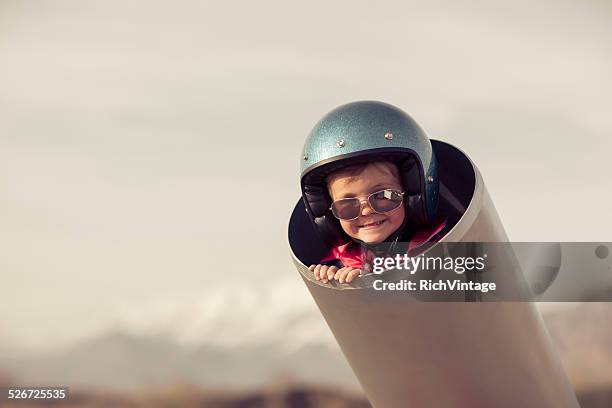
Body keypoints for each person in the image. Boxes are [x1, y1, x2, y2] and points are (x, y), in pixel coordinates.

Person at [300, 101, 447, 284]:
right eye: (347, 205)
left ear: (412, 195)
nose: (367, 211)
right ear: (327, 214)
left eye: (383, 196)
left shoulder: (445, 248)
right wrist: (334, 278)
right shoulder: (341, 261)